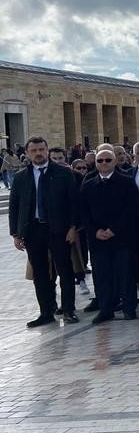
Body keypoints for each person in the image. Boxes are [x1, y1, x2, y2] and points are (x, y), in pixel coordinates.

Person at [9, 137, 81, 327]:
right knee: (40, 273)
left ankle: (68, 310)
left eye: (41, 149)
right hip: (33, 230)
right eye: (34, 150)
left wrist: (73, 227)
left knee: (64, 270)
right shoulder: (21, 177)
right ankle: (46, 311)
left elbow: (73, 202)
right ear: (28, 153)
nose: (38, 153)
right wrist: (16, 234)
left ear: (47, 150)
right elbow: (15, 206)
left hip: (58, 229)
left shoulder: (63, 174)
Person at [80, 149, 139, 324]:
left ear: (114, 162)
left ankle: (129, 308)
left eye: (108, 160)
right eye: (100, 161)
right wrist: (95, 231)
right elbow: (83, 213)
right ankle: (106, 309)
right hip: (98, 240)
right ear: (95, 163)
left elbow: (132, 209)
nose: (104, 163)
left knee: (125, 274)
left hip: (122, 237)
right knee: (102, 276)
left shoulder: (127, 183)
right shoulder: (88, 185)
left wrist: (114, 229)